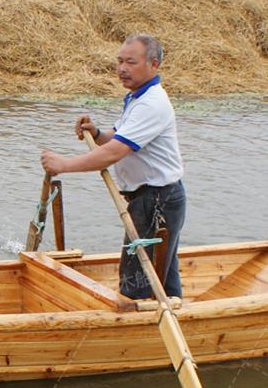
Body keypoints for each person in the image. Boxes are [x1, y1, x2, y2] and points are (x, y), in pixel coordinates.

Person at [40, 33, 186, 300]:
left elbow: (114, 153)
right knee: (163, 280)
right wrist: (95, 133)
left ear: (153, 65)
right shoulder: (136, 98)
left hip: (157, 202)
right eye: (119, 61)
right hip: (151, 198)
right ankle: (179, 326)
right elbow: (116, 140)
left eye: (130, 62)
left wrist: (64, 164)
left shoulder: (152, 103)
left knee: (138, 285)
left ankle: (137, 335)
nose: (122, 69)